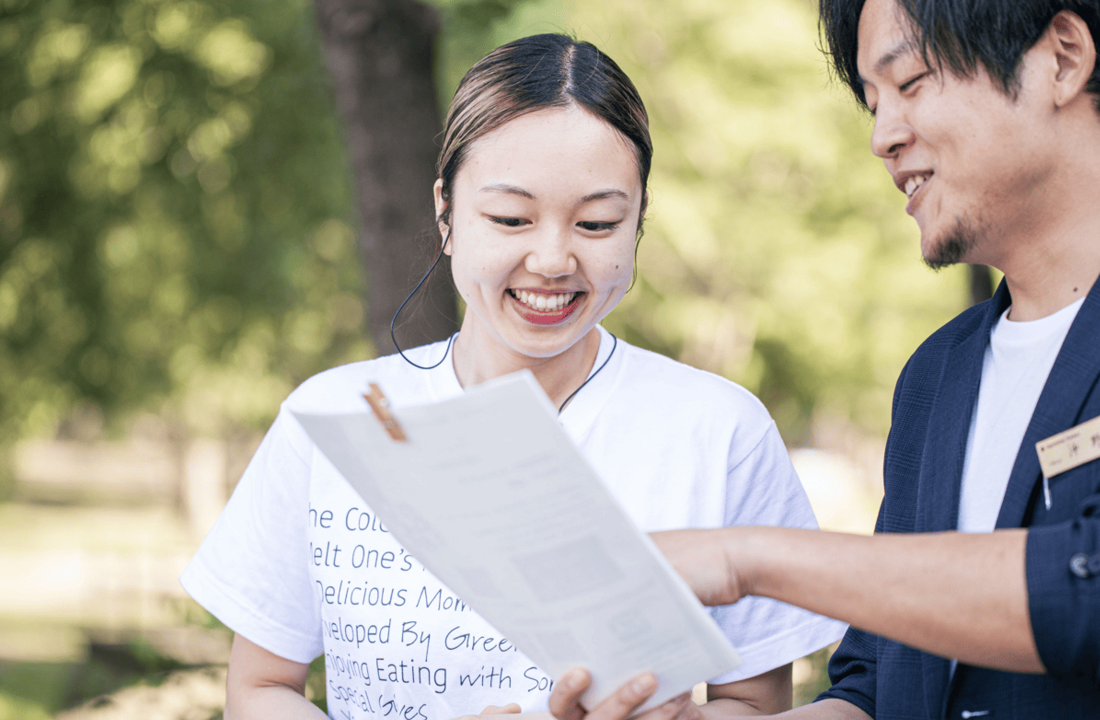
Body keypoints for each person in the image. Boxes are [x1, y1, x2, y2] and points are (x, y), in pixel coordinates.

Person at [547, 0, 1100, 718]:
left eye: (912, 80)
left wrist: (745, 559)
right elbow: (876, 688)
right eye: (872, 102)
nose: (883, 137)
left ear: (1063, 57)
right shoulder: (938, 375)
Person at [180, 33, 845, 720]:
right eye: (510, 218)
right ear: (445, 213)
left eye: (596, 222)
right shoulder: (336, 418)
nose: (553, 259)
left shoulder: (719, 430)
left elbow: (756, 703)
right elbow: (260, 690)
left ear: (638, 222)